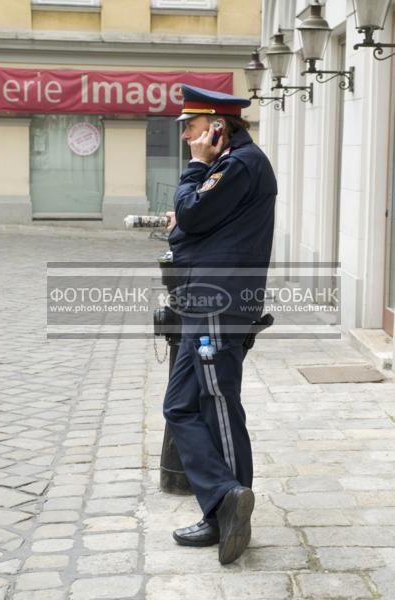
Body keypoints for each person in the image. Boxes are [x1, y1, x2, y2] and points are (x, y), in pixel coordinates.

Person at [163, 84, 277, 564]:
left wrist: (193, 168)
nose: (187, 137)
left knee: (217, 405)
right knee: (180, 405)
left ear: (216, 127)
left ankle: (229, 508)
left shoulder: (238, 165)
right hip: (203, 299)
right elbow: (193, 222)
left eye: (191, 128)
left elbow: (191, 213)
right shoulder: (226, 167)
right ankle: (223, 500)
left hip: (217, 301)